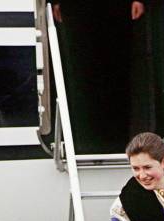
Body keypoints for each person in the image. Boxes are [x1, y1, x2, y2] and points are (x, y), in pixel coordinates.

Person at [52, 1, 146, 152]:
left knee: (118, 72)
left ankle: (117, 143)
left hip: (117, 9)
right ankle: (84, 142)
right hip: (76, 10)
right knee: (81, 74)